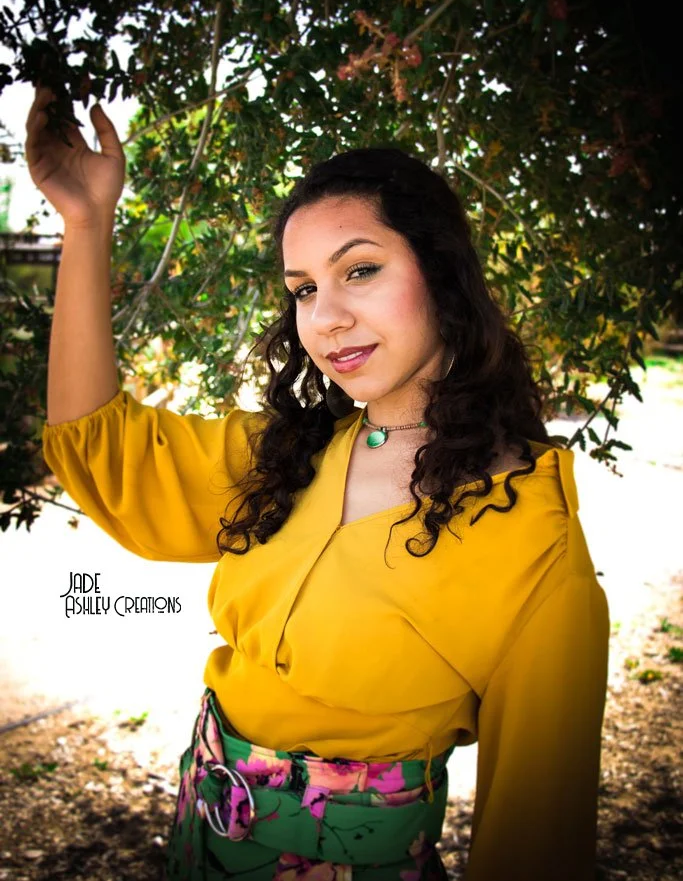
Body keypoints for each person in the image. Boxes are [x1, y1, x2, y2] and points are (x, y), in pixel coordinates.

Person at [28, 83, 610, 881]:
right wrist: (86, 224)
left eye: (359, 270)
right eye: (303, 288)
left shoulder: (530, 530)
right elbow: (99, 448)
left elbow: (535, 830)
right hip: (196, 850)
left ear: (441, 276)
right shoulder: (285, 453)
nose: (324, 317)